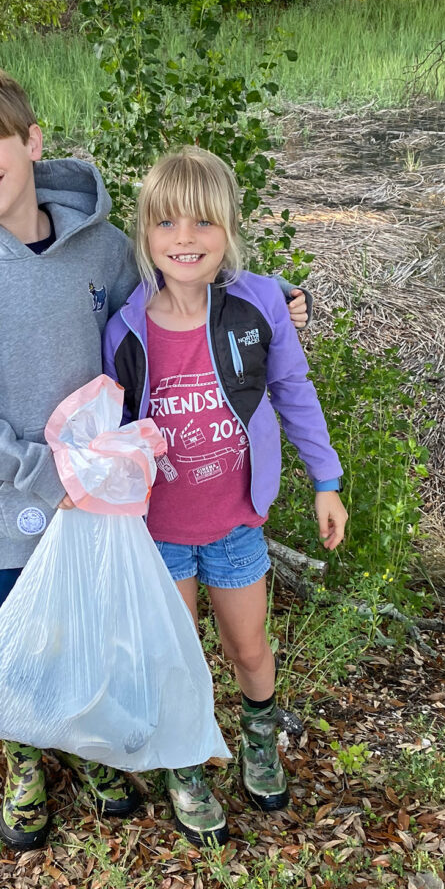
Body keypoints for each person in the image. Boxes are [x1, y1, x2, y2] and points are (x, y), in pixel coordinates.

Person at [0, 67, 309, 851]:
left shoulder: (97, 251)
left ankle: (89, 753)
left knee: (87, 637)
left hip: (103, 508)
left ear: (31, 142)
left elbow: (177, 291)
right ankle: (26, 761)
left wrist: (271, 297)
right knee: (11, 647)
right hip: (9, 515)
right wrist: (41, 472)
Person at [103, 146, 348, 847]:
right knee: (176, 655)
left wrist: (326, 481)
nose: (185, 239)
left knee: (249, 646)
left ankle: (260, 741)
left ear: (230, 230)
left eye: (204, 223)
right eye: (167, 224)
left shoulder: (259, 304)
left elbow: (293, 392)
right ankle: (185, 764)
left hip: (236, 522)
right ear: (145, 234)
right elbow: (111, 430)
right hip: (160, 530)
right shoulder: (125, 328)